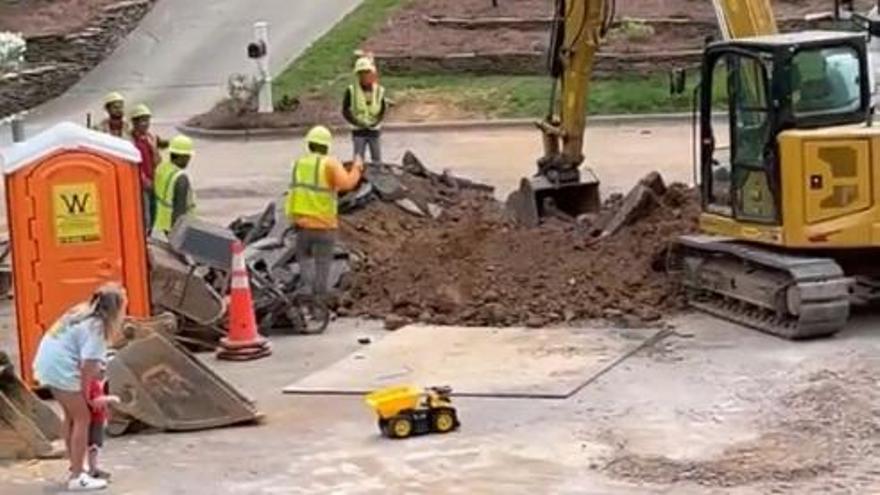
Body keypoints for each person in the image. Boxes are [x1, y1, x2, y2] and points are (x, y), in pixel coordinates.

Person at [32, 283, 127, 492]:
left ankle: (76, 465)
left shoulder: (80, 312)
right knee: (83, 416)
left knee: (71, 416)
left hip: (47, 363)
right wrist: (87, 396)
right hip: (62, 368)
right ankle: (77, 476)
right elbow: (88, 367)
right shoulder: (98, 329)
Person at [286, 126, 363, 302]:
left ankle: (307, 291)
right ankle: (319, 301)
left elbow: (292, 192)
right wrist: (357, 167)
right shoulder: (330, 164)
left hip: (302, 224)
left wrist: (292, 217)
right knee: (322, 264)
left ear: (309, 144)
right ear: (327, 145)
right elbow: (347, 184)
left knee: (304, 259)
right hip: (324, 226)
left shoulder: (299, 163)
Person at [342, 56, 387, 163]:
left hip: (374, 130)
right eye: (362, 73)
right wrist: (357, 122)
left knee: (377, 161)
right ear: (358, 75)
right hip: (358, 131)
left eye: (367, 73)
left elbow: (382, 109)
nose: (365, 76)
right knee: (358, 161)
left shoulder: (379, 90)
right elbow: (345, 110)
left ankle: (377, 179)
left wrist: (376, 122)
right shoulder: (351, 90)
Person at [153, 135, 196, 235]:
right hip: (175, 228)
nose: (189, 160)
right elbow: (179, 211)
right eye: (188, 156)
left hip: (161, 224)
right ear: (181, 156)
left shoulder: (161, 168)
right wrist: (178, 234)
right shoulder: (181, 178)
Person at [130, 104, 162, 234]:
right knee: (144, 213)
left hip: (153, 180)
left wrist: (154, 148)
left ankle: (149, 233)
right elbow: (134, 163)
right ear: (135, 122)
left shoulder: (150, 138)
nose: (145, 124)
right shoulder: (131, 141)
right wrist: (143, 180)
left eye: (147, 120)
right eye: (142, 120)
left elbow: (158, 161)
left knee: (154, 211)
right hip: (140, 184)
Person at [85, 364, 119, 480]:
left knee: (94, 445)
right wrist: (111, 399)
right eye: (101, 370)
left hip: (97, 418)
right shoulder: (92, 384)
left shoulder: (94, 383)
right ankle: (92, 469)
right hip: (93, 420)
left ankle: (92, 468)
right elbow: (95, 401)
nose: (103, 372)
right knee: (93, 445)